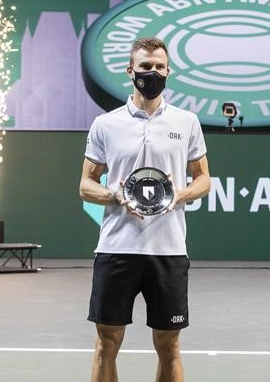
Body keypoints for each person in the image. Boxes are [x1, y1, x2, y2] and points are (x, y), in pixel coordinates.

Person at [79, 37, 211, 382]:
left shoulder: (187, 122)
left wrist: (177, 196)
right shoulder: (105, 124)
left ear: (168, 71)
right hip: (116, 248)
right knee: (106, 344)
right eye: (145, 67)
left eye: (158, 67)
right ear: (130, 71)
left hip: (168, 250)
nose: (152, 73)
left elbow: (203, 180)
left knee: (170, 347)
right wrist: (114, 196)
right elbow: (85, 184)